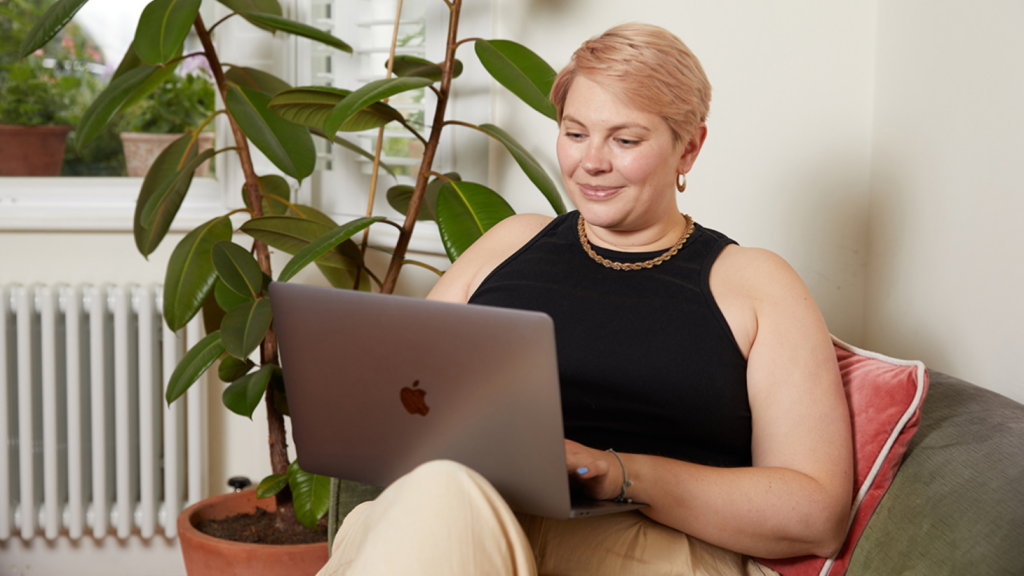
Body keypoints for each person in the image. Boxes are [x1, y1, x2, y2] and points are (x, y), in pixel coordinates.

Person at [317, 23, 853, 576]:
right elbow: (400, 393)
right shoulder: (510, 241)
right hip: (459, 516)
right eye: (575, 134)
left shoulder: (752, 282)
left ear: (688, 147)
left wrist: (613, 472)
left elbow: (816, 513)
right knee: (440, 493)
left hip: (641, 547)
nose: (590, 163)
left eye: (625, 140)